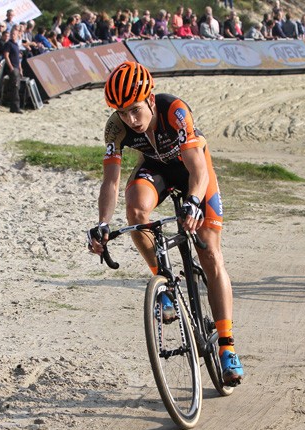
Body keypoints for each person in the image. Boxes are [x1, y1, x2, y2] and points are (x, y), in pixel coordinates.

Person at [87, 61, 245, 386]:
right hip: (157, 169)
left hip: (193, 172)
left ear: (149, 98)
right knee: (135, 210)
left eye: (134, 110)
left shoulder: (174, 110)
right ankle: (163, 283)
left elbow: (197, 168)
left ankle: (227, 345)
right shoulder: (115, 127)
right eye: (122, 112)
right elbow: (111, 182)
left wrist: (194, 202)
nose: (130, 120)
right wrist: (102, 223)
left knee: (210, 254)